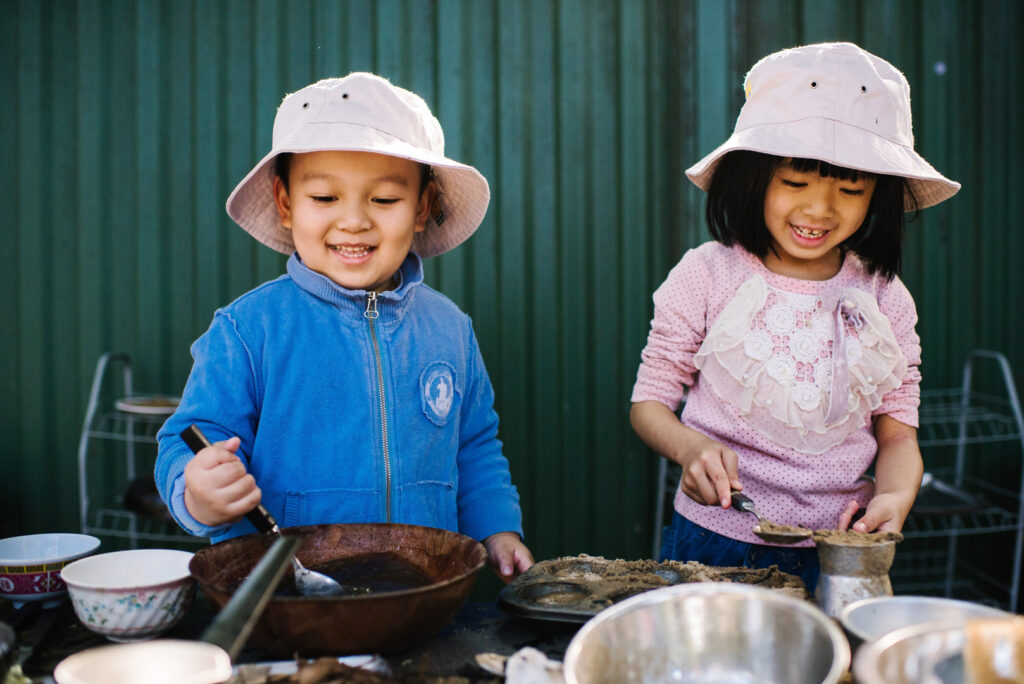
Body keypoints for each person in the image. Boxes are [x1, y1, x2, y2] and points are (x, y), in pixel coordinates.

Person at [155, 72, 534, 582]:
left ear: (422, 207)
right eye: (325, 198)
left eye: (383, 200)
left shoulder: (449, 329)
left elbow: (475, 445)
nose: (353, 221)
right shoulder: (249, 330)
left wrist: (498, 530)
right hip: (283, 595)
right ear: (286, 204)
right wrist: (197, 490)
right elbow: (188, 439)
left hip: (422, 592)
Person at [630, 42, 960, 590]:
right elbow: (649, 403)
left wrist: (896, 496)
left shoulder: (886, 296)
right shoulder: (708, 275)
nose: (818, 209)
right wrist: (689, 448)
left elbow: (899, 436)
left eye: (849, 189)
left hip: (843, 550)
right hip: (715, 541)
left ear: (876, 195)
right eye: (795, 182)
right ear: (753, 177)